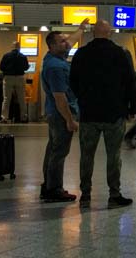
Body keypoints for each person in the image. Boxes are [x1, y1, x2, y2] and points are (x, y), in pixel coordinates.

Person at [69, 20, 136, 208]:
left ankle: (85, 195)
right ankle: (114, 194)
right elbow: (131, 82)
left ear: (93, 33)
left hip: (89, 114)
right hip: (114, 113)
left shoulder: (81, 54)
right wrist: (133, 108)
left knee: (86, 155)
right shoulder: (121, 54)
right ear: (109, 33)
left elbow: (72, 81)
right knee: (113, 155)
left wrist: (83, 99)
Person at [40, 20, 89, 202]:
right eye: (62, 41)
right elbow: (60, 97)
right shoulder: (56, 67)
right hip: (61, 114)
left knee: (52, 149)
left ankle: (48, 186)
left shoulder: (53, 57)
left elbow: (73, 40)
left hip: (54, 113)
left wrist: (81, 28)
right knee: (59, 152)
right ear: (52, 45)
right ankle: (54, 190)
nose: (66, 43)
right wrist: (69, 120)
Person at [0, 41, 29, 123]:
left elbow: (1, 67)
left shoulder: (6, 56)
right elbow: (26, 67)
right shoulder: (23, 56)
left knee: (6, 99)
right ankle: (23, 117)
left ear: (12, 47)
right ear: (19, 47)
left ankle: (4, 118)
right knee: (22, 99)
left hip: (8, 77)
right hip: (20, 77)